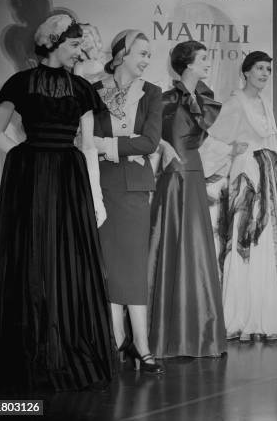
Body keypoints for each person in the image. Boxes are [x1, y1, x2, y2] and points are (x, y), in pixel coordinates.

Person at [0, 15, 114, 391]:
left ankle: (64, 347)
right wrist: (23, 158)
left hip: (68, 179)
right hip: (32, 178)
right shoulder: (20, 83)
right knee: (32, 256)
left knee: (66, 258)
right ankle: (29, 348)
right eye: (72, 45)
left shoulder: (82, 88)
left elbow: (86, 146)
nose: (78, 51)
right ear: (52, 43)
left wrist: (95, 197)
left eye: (80, 45)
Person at [208, 51, 277, 341]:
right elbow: (215, 140)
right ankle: (245, 314)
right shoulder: (234, 102)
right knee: (250, 237)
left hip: (271, 171)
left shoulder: (262, 102)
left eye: (268, 69)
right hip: (249, 174)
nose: (265, 73)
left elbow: (273, 139)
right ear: (245, 72)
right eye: (259, 68)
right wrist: (230, 153)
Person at [147, 40, 227, 357]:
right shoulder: (164, 98)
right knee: (171, 242)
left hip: (193, 169)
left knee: (195, 246)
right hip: (173, 173)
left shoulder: (204, 98)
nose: (209, 63)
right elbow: (148, 136)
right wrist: (162, 149)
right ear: (189, 63)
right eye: (204, 58)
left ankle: (200, 335)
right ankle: (168, 336)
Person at [93, 30, 164, 373]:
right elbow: (82, 137)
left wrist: (106, 145)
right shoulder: (93, 90)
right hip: (100, 188)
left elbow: (150, 142)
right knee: (109, 265)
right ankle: (116, 340)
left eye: (150, 55)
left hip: (135, 189)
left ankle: (142, 344)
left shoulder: (152, 94)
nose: (147, 60)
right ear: (122, 53)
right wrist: (123, 142)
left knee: (133, 267)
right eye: (142, 53)